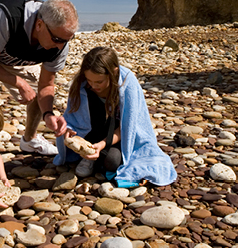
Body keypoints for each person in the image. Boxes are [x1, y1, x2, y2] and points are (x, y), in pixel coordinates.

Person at [0, 0, 78, 155]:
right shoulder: (7, 17)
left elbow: (46, 85)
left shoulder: (60, 44)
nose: (60, 46)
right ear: (39, 25)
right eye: (57, 39)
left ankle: (30, 140)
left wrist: (48, 114)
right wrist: (20, 83)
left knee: (37, 90)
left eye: (67, 40)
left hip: (5, 52)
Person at [54, 46, 177, 187]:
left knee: (112, 161)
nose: (93, 85)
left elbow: (129, 126)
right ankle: (90, 156)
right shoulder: (82, 85)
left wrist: (101, 145)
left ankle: (97, 156)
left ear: (114, 72)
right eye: (89, 80)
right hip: (93, 131)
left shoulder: (127, 84)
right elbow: (74, 118)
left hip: (119, 134)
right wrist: (69, 130)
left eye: (99, 82)